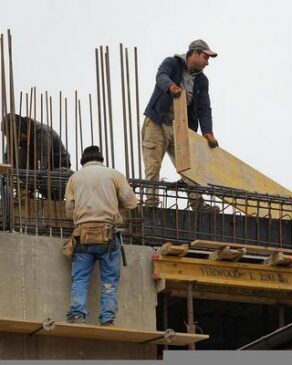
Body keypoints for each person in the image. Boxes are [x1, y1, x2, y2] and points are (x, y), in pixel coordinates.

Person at [142, 39, 219, 212]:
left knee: (189, 166)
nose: (207, 63)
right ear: (195, 54)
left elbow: (204, 107)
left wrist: (207, 132)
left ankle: (198, 205)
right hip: (157, 122)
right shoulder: (172, 63)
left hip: (180, 126)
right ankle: (151, 204)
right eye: (205, 58)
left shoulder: (202, 81)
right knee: (153, 166)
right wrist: (171, 87)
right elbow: (161, 76)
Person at [65, 145, 138, 326]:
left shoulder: (74, 178)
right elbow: (131, 203)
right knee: (109, 281)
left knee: (80, 278)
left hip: (83, 235)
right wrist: (113, 204)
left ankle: (77, 316)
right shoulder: (114, 175)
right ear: (101, 159)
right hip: (108, 235)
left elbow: (69, 211)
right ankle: (107, 320)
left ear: (83, 161)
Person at [1, 113, 71, 199]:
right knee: (18, 157)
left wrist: (28, 186)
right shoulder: (14, 136)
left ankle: (29, 189)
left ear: (23, 130)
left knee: (40, 175)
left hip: (55, 165)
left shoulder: (42, 133)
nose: (18, 140)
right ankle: (25, 189)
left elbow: (41, 164)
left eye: (19, 136)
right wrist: (10, 176)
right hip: (33, 165)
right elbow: (8, 160)